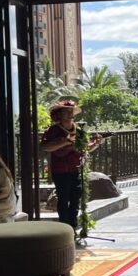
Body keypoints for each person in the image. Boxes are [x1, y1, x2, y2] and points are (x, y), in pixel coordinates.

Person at [40, 99, 101, 234]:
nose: (69, 114)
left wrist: (96, 143)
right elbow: (46, 147)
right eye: (66, 111)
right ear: (59, 114)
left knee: (75, 199)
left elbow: (85, 148)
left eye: (70, 111)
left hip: (76, 169)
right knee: (63, 198)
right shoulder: (53, 130)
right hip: (60, 170)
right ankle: (64, 229)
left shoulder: (79, 130)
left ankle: (72, 228)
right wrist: (66, 141)